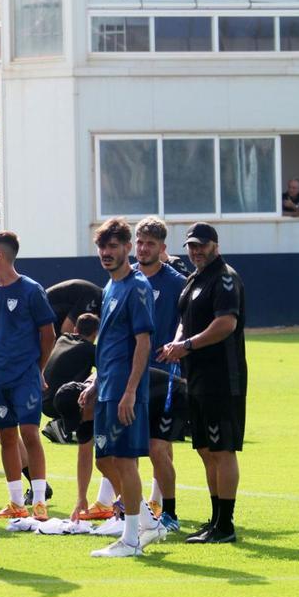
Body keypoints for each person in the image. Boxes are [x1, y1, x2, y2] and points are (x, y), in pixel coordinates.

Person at [77, 218, 164, 557]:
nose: (107, 253)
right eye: (102, 247)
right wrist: (97, 380)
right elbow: (108, 343)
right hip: (108, 385)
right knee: (105, 461)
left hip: (126, 390)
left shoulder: (137, 286)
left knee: (125, 462)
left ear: (128, 247)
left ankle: (130, 541)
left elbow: (143, 342)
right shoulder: (110, 287)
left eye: (113, 246)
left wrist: (130, 391)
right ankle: (148, 521)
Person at [158, 222, 247, 544]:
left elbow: (225, 323)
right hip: (195, 376)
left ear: (215, 245)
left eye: (202, 245)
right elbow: (185, 319)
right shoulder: (195, 278)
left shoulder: (224, 278)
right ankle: (216, 521)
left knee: (222, 449)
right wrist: (176, 343)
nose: (196, 251)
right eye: (192, 246)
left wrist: (189, 345)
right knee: (206, 449)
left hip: (222, 376)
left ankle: (226, 524)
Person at [0, 231, 56, 520]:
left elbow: (48, 334)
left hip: (25, 375)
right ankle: (15, 503)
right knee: (6, 435)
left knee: (30, 433)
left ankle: (38, 501)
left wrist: (37, 369)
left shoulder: (31, 290)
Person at [59, 366, 187, 526]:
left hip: (168, 395)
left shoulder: (110, 391)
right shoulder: (88, 411)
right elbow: (84, 455)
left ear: (83, 402)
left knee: (156, 450)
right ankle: (129, 508)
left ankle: (169, 514)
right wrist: (81, 497)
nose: (82, 422)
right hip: (142, 405)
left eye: (79, 417)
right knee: (103, 460)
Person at [133, 217, 187, 532]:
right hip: (132, 376)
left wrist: (179, 346)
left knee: (158, 446)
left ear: (162, 248)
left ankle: (168, 512)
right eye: (140, 242)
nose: (144, 248)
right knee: (132, 446)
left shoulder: (177, 283)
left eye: (151, 243)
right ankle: (136, 509)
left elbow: (189, 322)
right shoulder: (126, 280)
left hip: (167, 376)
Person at [40, 313, 98, 445]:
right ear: (95, 333)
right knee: (99, 380)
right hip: (60, 401)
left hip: (43, 399)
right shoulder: (89, 349)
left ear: (75, 329)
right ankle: (62, 426)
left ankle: (61, 424)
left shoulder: (63, 338)